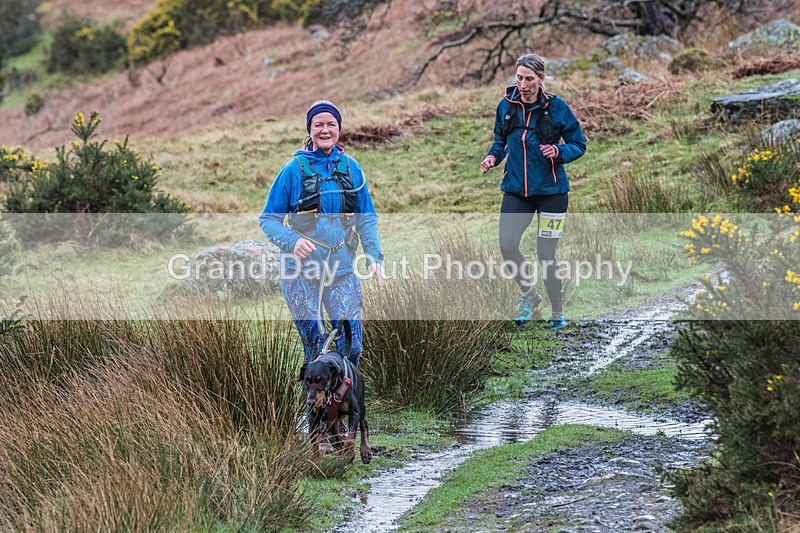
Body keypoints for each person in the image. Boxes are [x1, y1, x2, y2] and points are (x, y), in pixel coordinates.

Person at [260, 100, 385, 367]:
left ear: (339, 129)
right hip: (300, 273)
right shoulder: (292, 170)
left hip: (342, 270)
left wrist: (374, 255)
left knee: (352, 346)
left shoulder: (352, 168)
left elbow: (366, 218)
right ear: (310, 130)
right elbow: (268, 220)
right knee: (315, 346)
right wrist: (292, 241)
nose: (325, 130)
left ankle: (347, 395)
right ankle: (314, 395)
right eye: (318, 125)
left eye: (331, 124)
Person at [480, 54, 586, 330]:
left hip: (552, 193)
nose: (523, 85)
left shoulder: (557, 107)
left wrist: (558, 151)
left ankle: (558, 311)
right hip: (517, 191)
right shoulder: (506, 106)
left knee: (546, 253)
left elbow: (579, 144)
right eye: (519, 78)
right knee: (507, 244)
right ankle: (529, 294)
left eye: (529, 79)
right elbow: (500, 140)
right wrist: (492, 158)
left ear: (541, 79)